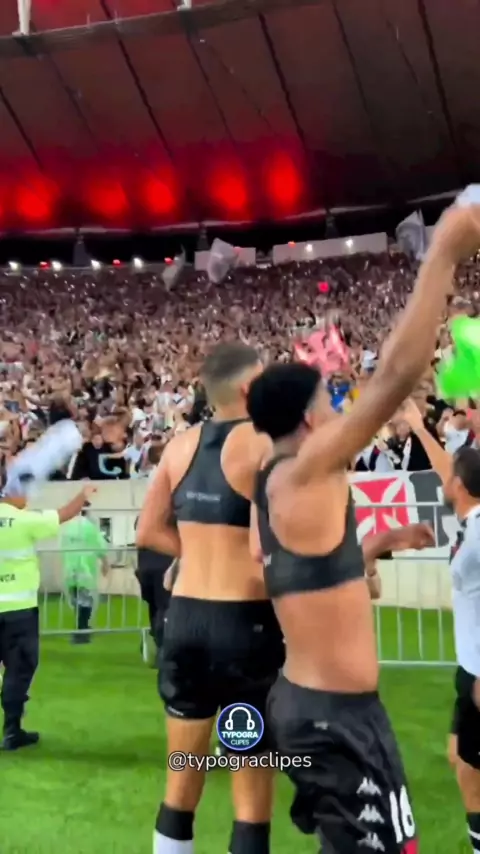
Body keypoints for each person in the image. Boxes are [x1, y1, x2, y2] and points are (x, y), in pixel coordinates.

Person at [245, 201, 479, 853]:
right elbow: (396, 378)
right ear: (307, 420)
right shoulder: (304, 469)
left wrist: (377, 544)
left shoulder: (275, 479)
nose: (338, 407)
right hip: (333, 720)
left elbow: (289, 569)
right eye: (328, 400)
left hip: (320, 709)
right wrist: (443, 254)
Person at [136, 341, 283, 854]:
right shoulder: (265, 445)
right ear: (248, 388)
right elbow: (277, 542)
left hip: (185, 620)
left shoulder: (180, 446)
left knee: (181, 781)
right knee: (252, 789)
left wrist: (191, 552)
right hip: (245, 626)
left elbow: (147, 530)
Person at [401, 397, 480, 854]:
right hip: (469, 670)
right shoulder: (472, 519)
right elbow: (448, 467)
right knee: (459, 757)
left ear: (461, 486)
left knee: (468, 768)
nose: (443, 478)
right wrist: (417, 425)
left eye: (451, 477)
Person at [0, 481, 95, 750]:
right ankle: (12, 730)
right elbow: (62, 515)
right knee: (19, 670)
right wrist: (83, 495)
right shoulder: (23, 520)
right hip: (19, 611)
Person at [60, 503, 110, 644]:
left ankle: (82, 628)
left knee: (77, 600)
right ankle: (82, 631)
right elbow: (99, 545)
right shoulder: (89, 526)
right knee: (85, 601)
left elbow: (62, 547)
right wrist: (105, 563)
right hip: (85, 569)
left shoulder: (67, 527)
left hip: (70, 569)